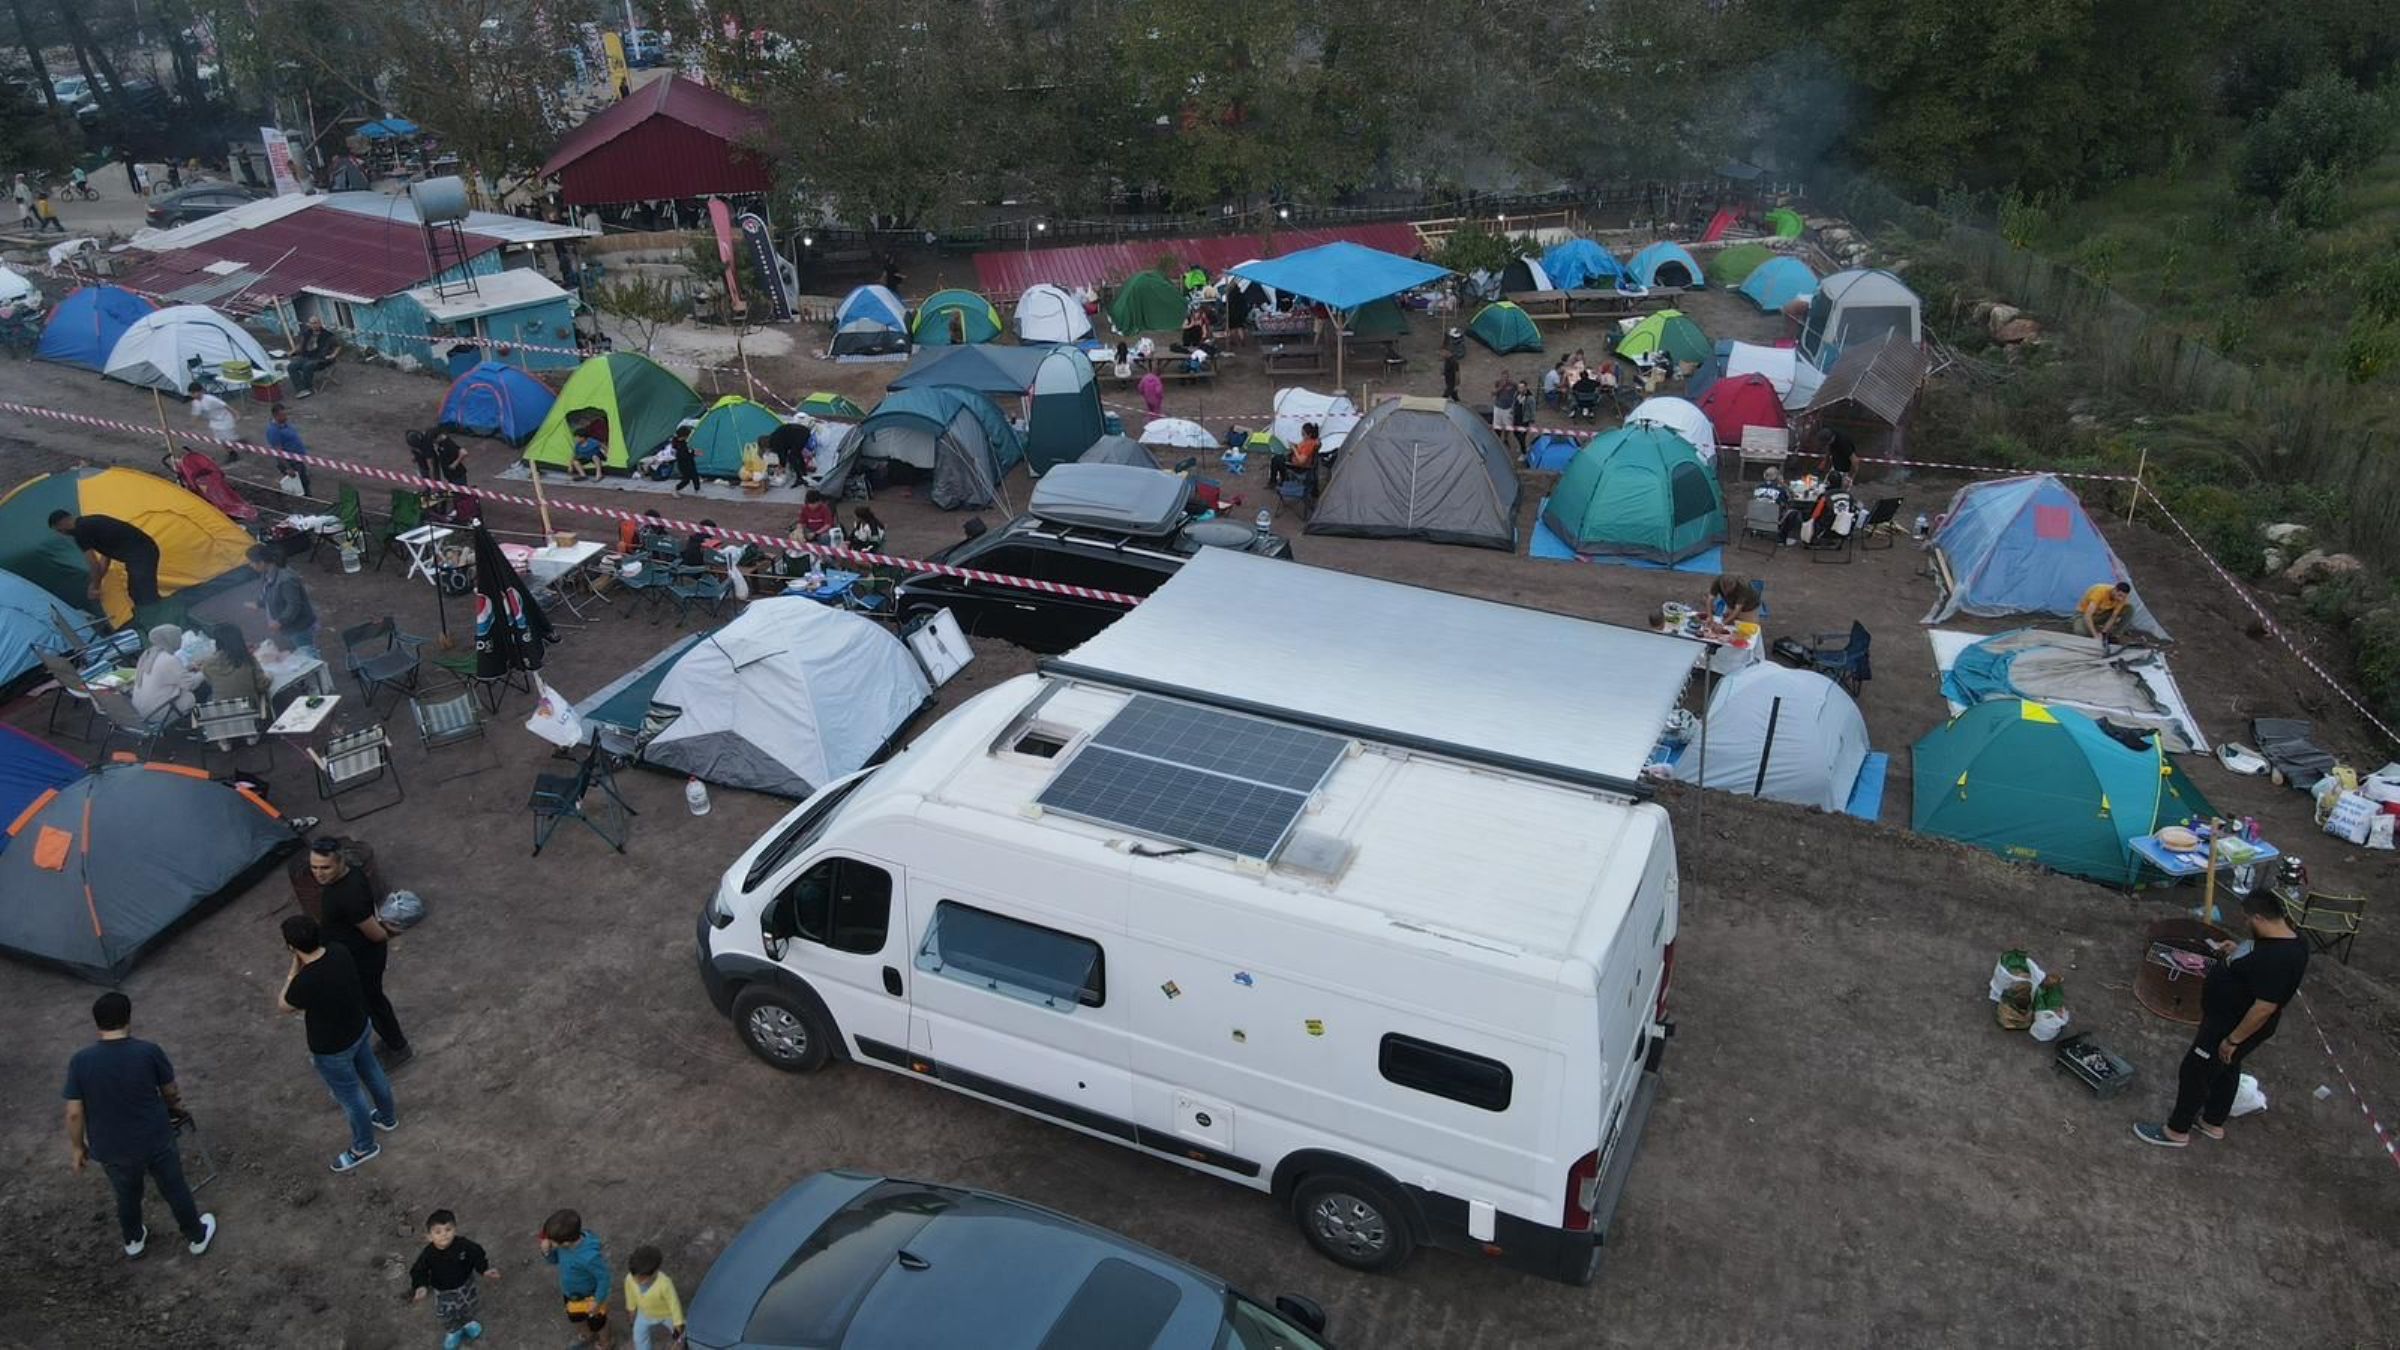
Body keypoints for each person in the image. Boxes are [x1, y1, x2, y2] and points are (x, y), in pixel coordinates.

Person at [2136, 889, 2310, 1149]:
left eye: (2247, 919)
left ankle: (2176, 1131)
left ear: (2260, 918)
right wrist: (2239, 950)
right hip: (2231, 1021)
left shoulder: (2279, 959)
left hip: (2231, 1025)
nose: (2245, 923)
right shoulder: (2291, 940)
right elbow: (2258, 960)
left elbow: (2264, 1007)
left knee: (2195, 1071)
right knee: (2227, 1068)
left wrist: (2233, 1039)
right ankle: (2212, 1121)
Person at [63, 992, 218, 1261]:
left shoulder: (80, 1061)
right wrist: (174, 1106)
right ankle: (196, 1236)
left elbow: (74, 1113)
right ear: (128, 1018)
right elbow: (169, 1091)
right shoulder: (148, 1051)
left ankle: (134, 1239)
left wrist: (78, 1147)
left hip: (112, 1148)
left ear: (97, 1024)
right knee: (174, 1187)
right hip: (154, 1138)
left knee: (126, 1194)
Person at [276, 914, 398, 1174]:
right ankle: (387, 1117)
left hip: (332, 1048)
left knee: (351, 1097)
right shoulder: (339, 952)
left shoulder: (304, 981)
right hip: (358, 1027)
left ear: (291, 947)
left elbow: (284, 1005)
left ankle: (363, 1147)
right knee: (373, 1071)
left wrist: (292, 970)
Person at [309, 837, 411, 1066]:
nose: (319, 873)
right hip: (353, 953)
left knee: (373, 1003)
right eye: (314, 867)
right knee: (371, 1002)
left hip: (362, 958)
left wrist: (385, 932)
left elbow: (374, 933)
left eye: (325, 867)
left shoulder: (347, 895)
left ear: (340, 863)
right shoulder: (350, 876)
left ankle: (398, 1047)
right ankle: (391, 1040)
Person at [411, 1208, 499, 1349]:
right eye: (438, 1232)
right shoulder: (428, 1254)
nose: (444, 1234)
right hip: (443, 1291)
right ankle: (453, 1331)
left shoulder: (464, 1245)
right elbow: (418, 1270)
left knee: (469, 1306)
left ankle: (468, 1322)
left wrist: (484, 1270)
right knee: (446, 1314)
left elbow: (477, 1254)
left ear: (455, 1230)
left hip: (466, 1285)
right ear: (429, 1236)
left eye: (448, 1229)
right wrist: (420, 1286)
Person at [50, 508, 164, 611]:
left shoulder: (80, 532)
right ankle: (158, 615)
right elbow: (106, 556)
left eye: (60, 530)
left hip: (141, 554)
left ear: (63, 523)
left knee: (143, 592)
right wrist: (97, 584)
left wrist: (94, 586)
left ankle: (160, 618)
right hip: (144, 551)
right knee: (138, 591)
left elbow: (93, 564)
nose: (63, 534)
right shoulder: (91, 522)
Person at [541, 1209, 614, 1348]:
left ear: (566, 1243)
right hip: (571, 1293)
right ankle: (587, 1334)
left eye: (552, 1241)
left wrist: (598, 1301)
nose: (548, 1242)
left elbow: (603, 1278)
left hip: (591, 1297)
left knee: (599, 1323)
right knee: (576, 1317)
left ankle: (606, 1342)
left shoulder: (589, 1257)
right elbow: (554, 1260)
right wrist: (547, 1252)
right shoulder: (563, 1246)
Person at [247, 544, 320, 658]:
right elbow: (269, 593)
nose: (250, 565)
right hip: (289, 627)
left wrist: (280, 621)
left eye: (251, 562)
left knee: (309, 654)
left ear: (261, 562)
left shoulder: (286, 579)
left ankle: (323, 675)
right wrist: (259, 603)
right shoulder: (268, 575)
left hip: (299, 626)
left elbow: (294, 605)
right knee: (301, 653)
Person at [198, 621, 272, 724]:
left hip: (224, 712)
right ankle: (253, 731)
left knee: (211, 697)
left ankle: (225, 736)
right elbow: (261, 685)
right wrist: (269, 676)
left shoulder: (207, 664)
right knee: (262, 696)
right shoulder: (247, 659)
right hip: (249, 709)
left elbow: (211, 683)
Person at [130, 624, 206, 720]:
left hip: (142, 709)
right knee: (189, 696)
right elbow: (190, 684)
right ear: (172, 639)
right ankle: (195, 724)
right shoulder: (169, 660)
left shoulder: (148, 655)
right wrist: (205, 671)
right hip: (157, 712)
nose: (181, 640)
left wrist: (187, 667)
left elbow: (166, 674)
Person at [623, 1245, 685, 1350]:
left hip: (667, 1315)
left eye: (641, 1278)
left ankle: (679, 1345)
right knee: (639, 1337)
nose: (636, 1281)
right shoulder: (629, 1279)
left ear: (655, 1272)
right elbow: (630, 1294)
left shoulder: (665, 1283)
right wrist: (631, 1310)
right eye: (634, 1276)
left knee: (682, 1334)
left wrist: (678, 1323)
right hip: (644, 1314)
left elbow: (674, 1305)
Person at [264, 403, 312, 496]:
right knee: (300, 486)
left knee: (305, 482)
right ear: (275, 415)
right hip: (291, 463)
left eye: (286, 414)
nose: (286, 417)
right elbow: (278, 452)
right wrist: (288, 468)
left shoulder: (285, 424)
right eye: (283, 415)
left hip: (298, 460)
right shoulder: (273, 431)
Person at [289, 317, 342, 398]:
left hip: (321, 358)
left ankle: (308, 388)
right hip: (306, 356)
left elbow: (338, 346)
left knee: (307, 366)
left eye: (315, 323)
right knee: (291, 366)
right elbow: (300, 345)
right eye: (311, 323)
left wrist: (333, 355)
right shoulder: (306, 334)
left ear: (320, 323)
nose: (313, 325)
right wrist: (292, 352)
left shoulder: (328, 335)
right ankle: (301, 389)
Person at [2077, 580, 2135, 645]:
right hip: (2083, 615)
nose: (2120, 599)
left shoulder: (2122, 599)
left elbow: (2113, 616)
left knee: (2129, 608)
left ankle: (2114, 635)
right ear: (2115, 590)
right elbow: (2087, 615)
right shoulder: (2100, 591)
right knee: (2080, 631)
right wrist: (2095, 635)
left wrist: (2103, 633)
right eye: (2119, 595)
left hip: (2101, 614)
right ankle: (2093, 629)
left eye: (2123, 597)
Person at [1288, 422, 1322, 499]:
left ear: (1309, 435)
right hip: (1298, 463)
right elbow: (1301, 449)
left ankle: (1279, 482)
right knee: (1278, 458)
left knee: (1277, 460)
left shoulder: (1309, 445)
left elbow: (1301, 461)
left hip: (1299, 468)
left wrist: (1294, 449)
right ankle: (1277, 481)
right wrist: (1295, 446)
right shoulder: (1309, 441)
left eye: (1303, 434)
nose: (1302, 435)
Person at [668, 426, 700, 494]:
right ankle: (676, 489)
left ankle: (697, 489)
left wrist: (693, 452)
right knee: (687, 479)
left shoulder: (681, 442)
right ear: (684, 436)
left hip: (689, 462)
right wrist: (693, 454)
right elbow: (684, 455)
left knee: (695, 475)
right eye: (687, 435)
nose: (688, 437)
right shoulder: (680, 445)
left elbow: (687, 452)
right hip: (684, 464)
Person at [1490, 375, 1518, 440]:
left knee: (1507, 426)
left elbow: (1518, 389)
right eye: (1503, 377)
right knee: (1497, 425)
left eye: (1506, 377)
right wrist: (1501, 387)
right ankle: (1497, 438)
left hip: (1508, 408)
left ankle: (1505, 439)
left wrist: (1513, 383)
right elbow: (1493, 393)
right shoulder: (1498, 383)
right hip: (1498, 408)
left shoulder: (1512, 385)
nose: (1505, 379)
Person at [1512, 378, 1535, 455]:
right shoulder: (1517, 395)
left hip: (1524, 420)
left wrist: (1532, 420)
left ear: (1526, 387)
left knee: (1522, 437)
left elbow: (1532, 410)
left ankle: (1524, 453)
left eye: (1522, 387)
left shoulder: (1530, 398)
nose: (1520, 389)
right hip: (1516, 418)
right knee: (1515, 433)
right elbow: (1514, 404)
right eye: (1519, 387)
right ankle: (1522, 446)